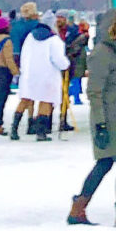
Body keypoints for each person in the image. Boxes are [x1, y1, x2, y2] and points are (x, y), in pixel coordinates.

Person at [68, 8, 116, 227]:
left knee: (105, 162)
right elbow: (95, 91)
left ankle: (78, 208)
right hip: (110, 117)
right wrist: (100, 123)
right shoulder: (103, 52)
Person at [18, 11, 70, 141]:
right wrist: (66, 64)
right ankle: (41, 132)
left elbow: (24, 54)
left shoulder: (30, 37)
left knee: (25, 99)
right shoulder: (54, 39)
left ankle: (14, 128)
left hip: (30, 74)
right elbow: (58, 59)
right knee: (46, 101)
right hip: (48, 75)